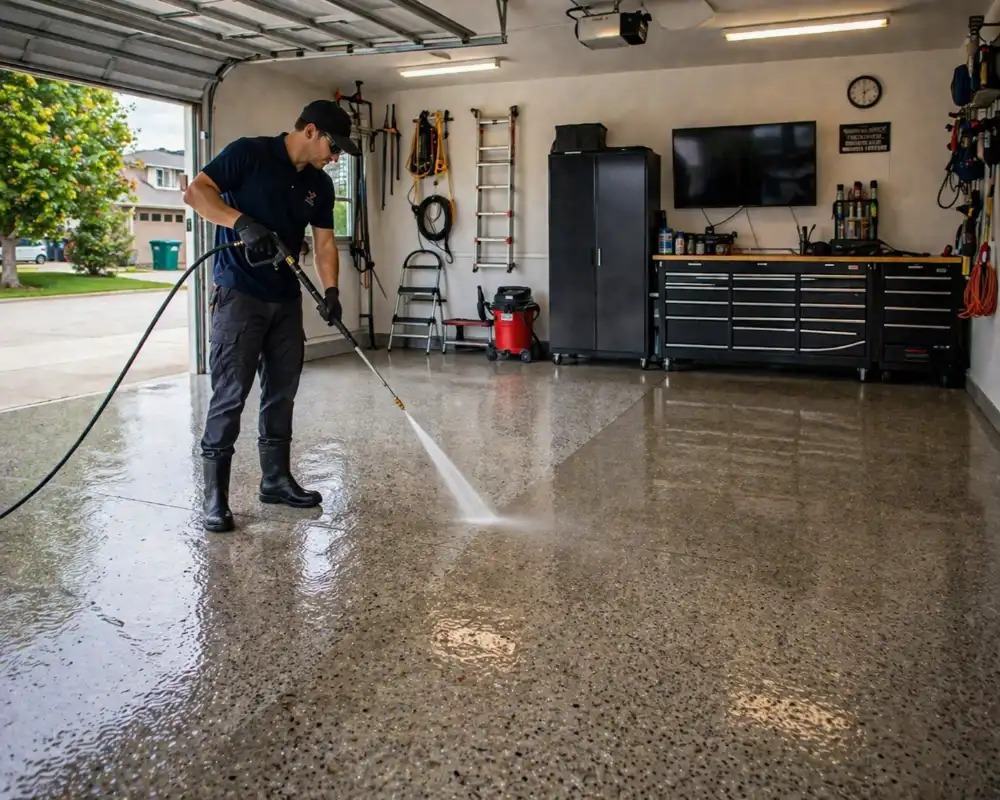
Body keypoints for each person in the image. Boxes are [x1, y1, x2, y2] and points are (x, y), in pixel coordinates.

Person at [183, 99, 361, 532]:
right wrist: (239, 221)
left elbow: (322, 244)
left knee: (282, 392)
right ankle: (214, 499)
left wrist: (333, 291)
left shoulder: (319, 183)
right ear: (312, 131)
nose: (336, 157)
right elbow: (196, 192)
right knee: (230, 395)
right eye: (334, 146)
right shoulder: (250, 153)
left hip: (285, 298)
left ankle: (276, 480)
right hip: (239, 296)